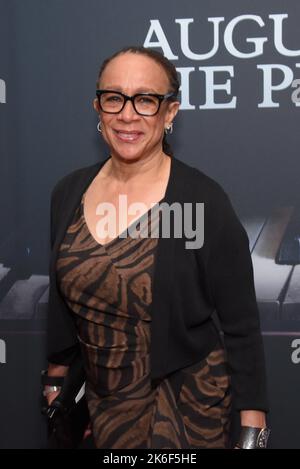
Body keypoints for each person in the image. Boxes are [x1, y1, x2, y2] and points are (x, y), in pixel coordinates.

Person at [44, 46, 270, 449]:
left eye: (146, 100)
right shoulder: (68, 192)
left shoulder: (199, 201)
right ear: (98, 107)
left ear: (169, 113)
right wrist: (56, 374)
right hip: (101, 401)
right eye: (115, 98)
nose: (127, 114)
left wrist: (253, 420)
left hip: (184, 404)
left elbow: (240, 321)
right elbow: (63, 299)